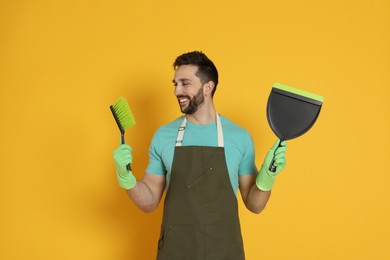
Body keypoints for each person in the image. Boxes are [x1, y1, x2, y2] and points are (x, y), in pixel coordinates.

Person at [113, 51, 287, 259]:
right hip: (175, 250)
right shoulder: (164, 136)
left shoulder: (239, 137)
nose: (177, 91)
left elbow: (255, 205)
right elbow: (149, 202)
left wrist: (267, 178)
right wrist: (127, 179)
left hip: (224, 252)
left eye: (185, 83)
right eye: (175, 84)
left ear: (208, 87)